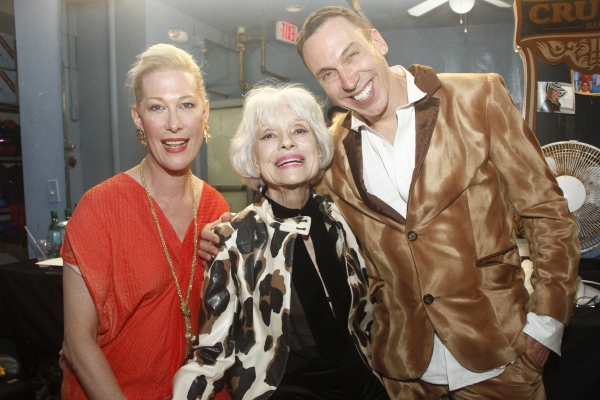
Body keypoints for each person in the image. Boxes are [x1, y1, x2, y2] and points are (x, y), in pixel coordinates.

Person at [293, 6, 578, 399]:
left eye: (352, 54)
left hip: (502, 356)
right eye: (327, 74)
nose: (347, 80)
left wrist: (546, 325)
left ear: (377, 41)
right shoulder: (330, 150)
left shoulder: (478, 97)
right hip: (404, 370)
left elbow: (547, 211)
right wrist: (228, 234)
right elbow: (287, 208)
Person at [172, 83, 389, 400]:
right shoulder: (235, 240)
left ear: (317, 146)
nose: (287, 142)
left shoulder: (341, 218)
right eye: (268, 136)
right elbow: (209, 355)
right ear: (254, 159)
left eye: (299, 130)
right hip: (286, 391)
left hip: (365, 385)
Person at [60, 44, 231, 400]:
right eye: (157, 107)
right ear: (138, 118)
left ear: (205, 112)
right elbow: (77, 343)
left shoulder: (215, 205)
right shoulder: (100, 207)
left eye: (186, 105)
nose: (173, 123)